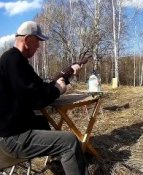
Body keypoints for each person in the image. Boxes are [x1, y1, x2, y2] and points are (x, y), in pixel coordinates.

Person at [0, 21, 89, 175]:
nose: (39, 46)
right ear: (27, 40)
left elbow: (40, 88)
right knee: (69, 142)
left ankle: (61, 164)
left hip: (15, 130)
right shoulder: (14, 61)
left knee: (43, 122)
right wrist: (57, 91)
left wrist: (66, 77)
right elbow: (36, 99)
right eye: (38, 41)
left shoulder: (15, 60)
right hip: (13, 138)